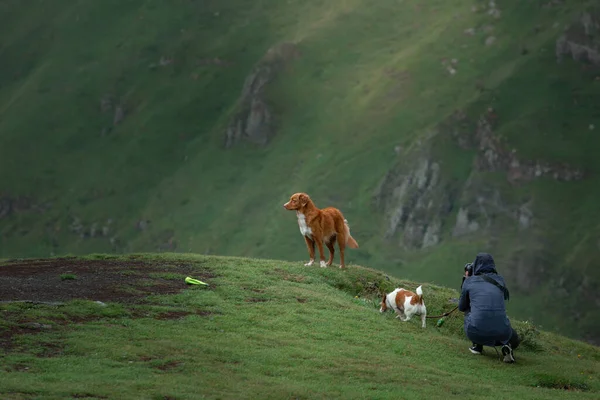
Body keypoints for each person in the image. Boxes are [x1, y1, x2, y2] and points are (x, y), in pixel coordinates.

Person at [458, 252, 520, 363]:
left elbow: (462, 307)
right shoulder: (500, 280)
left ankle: (477, 346)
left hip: (476, 332)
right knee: (512, 335)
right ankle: (506, 345)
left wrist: (466, 280)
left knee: (470, 310)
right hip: (503, 333)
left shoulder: (469, 281)